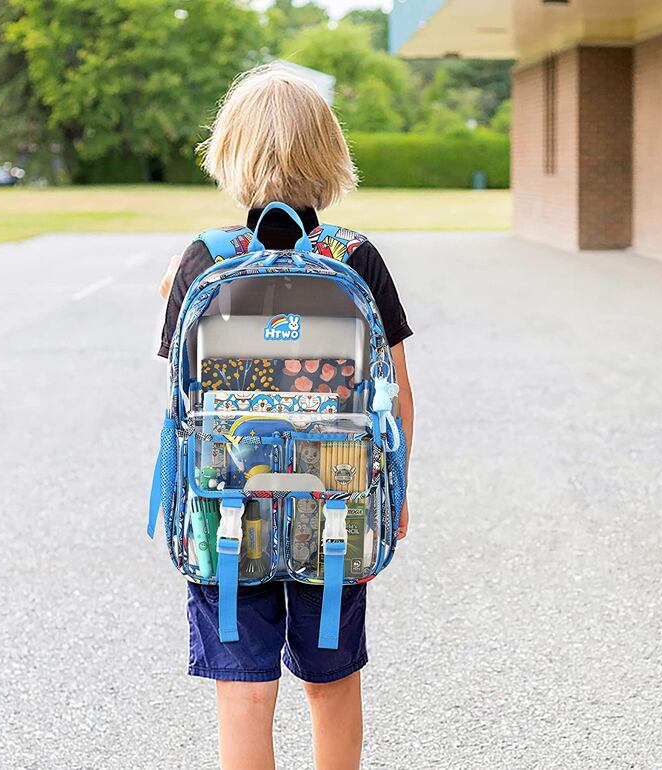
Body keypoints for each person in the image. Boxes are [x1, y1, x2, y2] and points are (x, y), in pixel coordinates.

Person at [158, 65, 414, 770]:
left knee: (243, 695)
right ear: (331, 157)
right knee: (332, 685)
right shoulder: (354, 258)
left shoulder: (205, 259)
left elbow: (181, 399)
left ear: (229, 155)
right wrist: (395, 492)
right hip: (338, 507)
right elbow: (399, 392)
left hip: (225, 512)